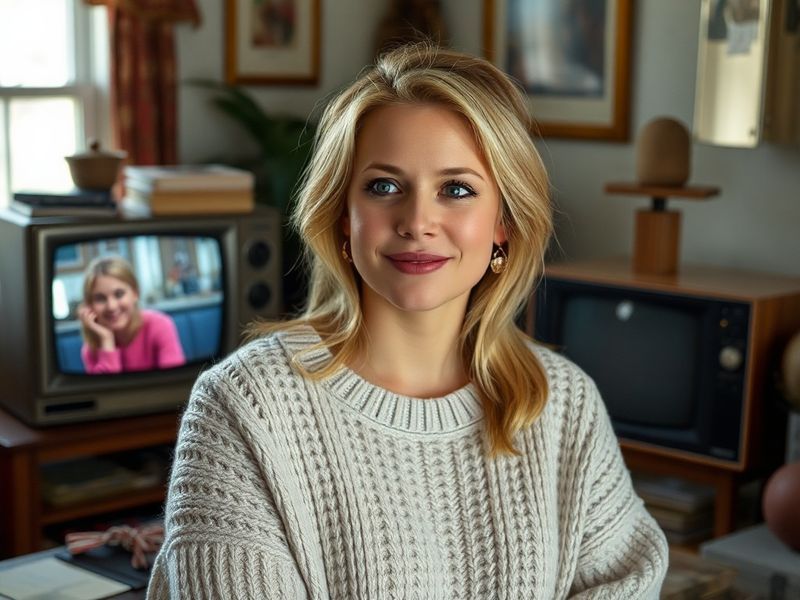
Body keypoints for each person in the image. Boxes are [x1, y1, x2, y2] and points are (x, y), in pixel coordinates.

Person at [147, 43, 667, 599]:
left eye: (457, 190)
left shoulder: (562, 403)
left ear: (504, 224)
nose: (418, 222)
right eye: (384, 186)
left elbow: (627, 582)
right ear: (342, 218)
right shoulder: (246, 407)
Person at [79, 256, 186, 374]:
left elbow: (172, 383)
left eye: (119, 294)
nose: (111, 306)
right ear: (89, 305)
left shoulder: (160, 325)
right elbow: (105, 392)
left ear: (135, 293)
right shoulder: (91, 349)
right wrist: (107, 341)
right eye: (100, 298)